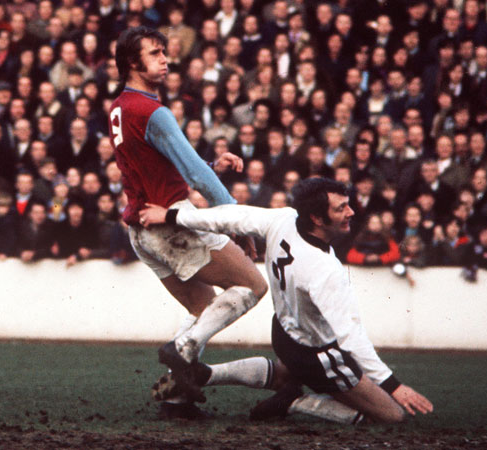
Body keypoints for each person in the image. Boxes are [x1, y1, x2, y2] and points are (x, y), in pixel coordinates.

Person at [140, 178, 433, 423]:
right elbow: (351, 338)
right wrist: (393, 386)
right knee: (391, 415)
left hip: (284, 335)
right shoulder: (324, 269)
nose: (351, 212)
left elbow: (229, 216)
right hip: (319, 354)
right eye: (341, 208)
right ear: (317, 218)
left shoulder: (285, 219)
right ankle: (298, 402)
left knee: (285, 374)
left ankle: (205, 373)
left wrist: (171, 216)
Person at [108, 26, 267, 411]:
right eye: (155, 53)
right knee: (253, 286)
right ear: (133, 62)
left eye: (164, 52)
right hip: (172, 226)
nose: (165, 60)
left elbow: (153, 166)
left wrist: (212, 164)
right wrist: (236, 221)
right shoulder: (153, 112)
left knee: (203, 310)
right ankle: (181, 350)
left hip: (140, 231)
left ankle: (178, 396)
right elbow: (196, 176)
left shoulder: (120, 107)